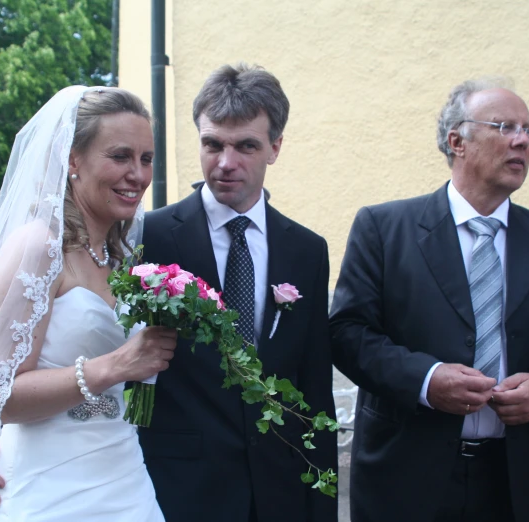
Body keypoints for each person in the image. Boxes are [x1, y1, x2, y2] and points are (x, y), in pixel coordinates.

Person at [329, 79, 529, 522]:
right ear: (457, 142)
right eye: (504, 126)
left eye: (528, 130)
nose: (522, 140)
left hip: (507, 480)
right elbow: (348, 334)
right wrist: (426, 380)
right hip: (405, 475)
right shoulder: (385, 228)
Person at [0, 86, 177, 521]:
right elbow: (0, 396)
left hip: (125, 478)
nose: (138, 175)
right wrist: (115, 366)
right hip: (49, 488)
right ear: (72, 159)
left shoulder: (125, 257)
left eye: (146, 159)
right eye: (120, 156)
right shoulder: (38, 248)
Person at [138, 63, 337, 522]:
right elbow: (133, 377)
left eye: (246, 145)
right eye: (213, 144)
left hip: (280, 488)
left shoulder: (307, 250)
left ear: (275, 147)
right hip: (178, 487)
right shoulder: (152, 236)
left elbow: (313, 386)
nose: (225, 163)